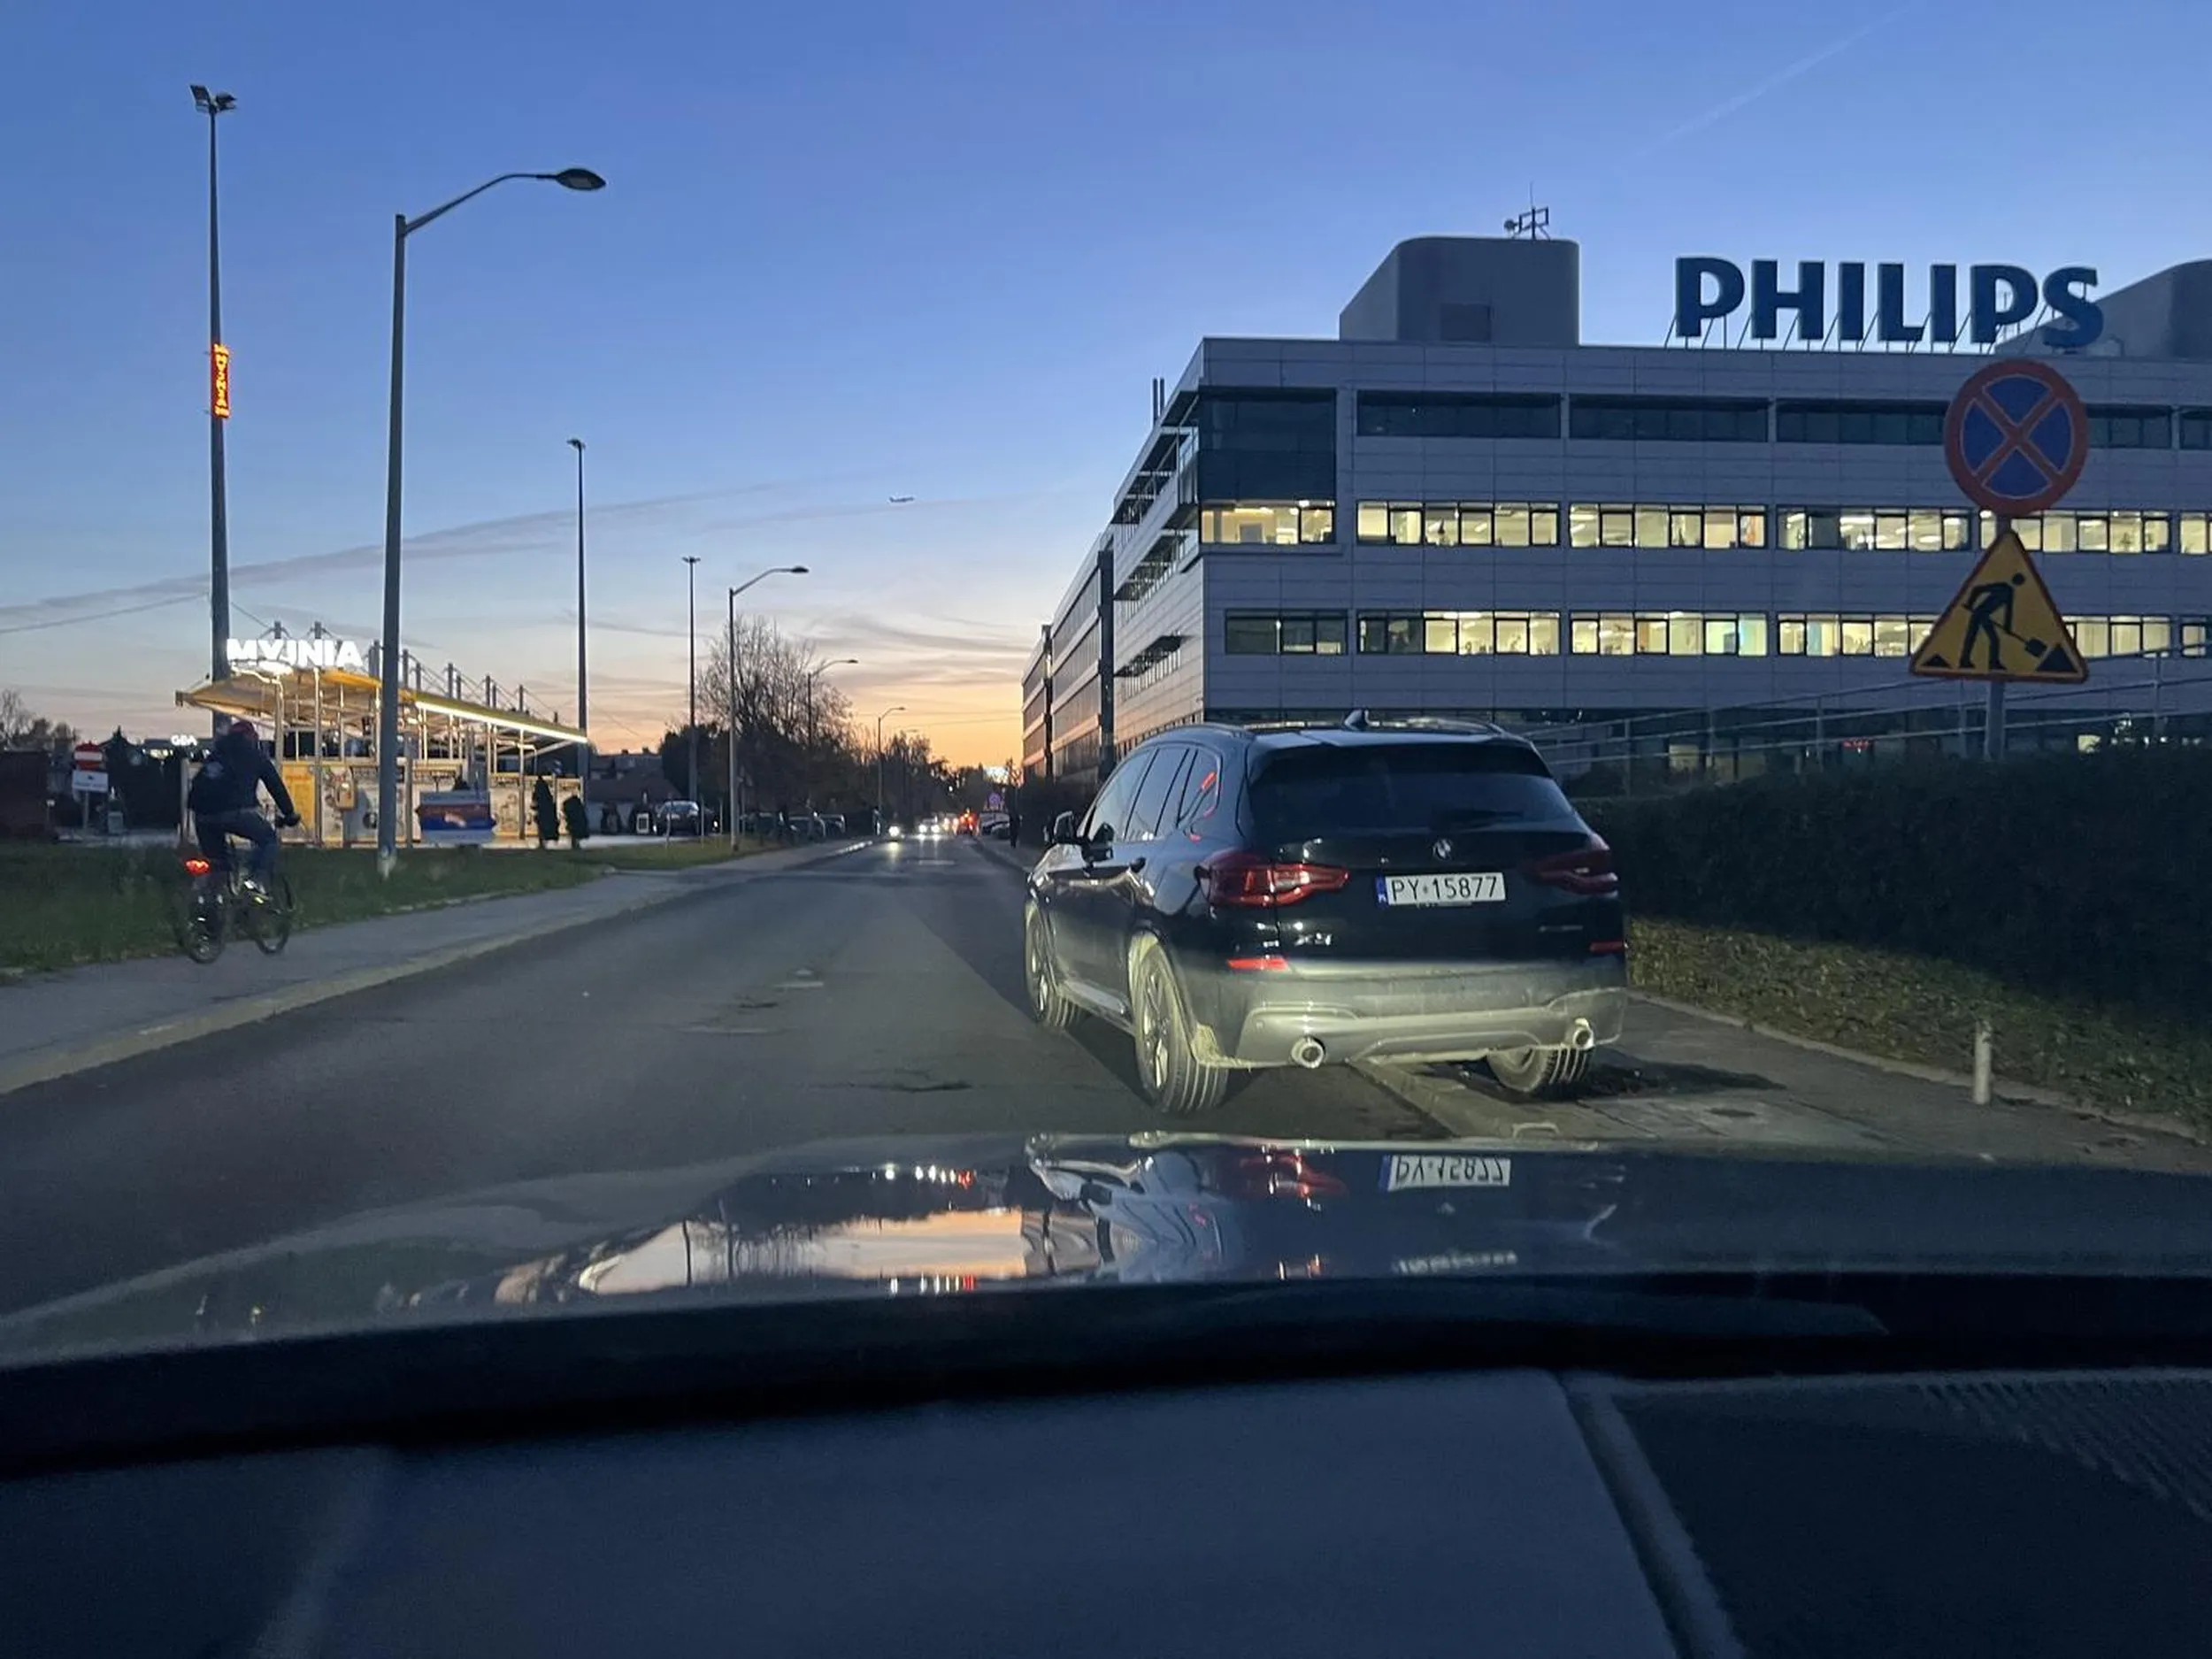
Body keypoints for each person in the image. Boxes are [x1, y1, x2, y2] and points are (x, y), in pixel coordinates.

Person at [187, 719, 300, 893]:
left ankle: (212, 898)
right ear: (252, 738)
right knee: (268, 840)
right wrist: (289, 813)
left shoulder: (216, 755)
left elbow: (198, 784)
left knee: (217, 861)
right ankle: (256, 882)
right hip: (237, 812)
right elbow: (275, 786)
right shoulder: (254, 755)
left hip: (202, 815)